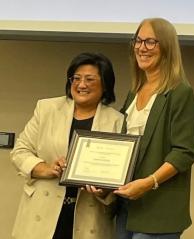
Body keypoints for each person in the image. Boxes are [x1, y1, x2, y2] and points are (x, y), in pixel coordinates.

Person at [10, 52, 123, 239]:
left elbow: (117, 175)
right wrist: (47, 169)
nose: (81, 85)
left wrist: (104, 190)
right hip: (42, 213)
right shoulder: (47, 109)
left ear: (105, 84)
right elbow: (20, 152)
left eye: (89, 79)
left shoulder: (117, 122)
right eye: (76, 78)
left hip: (88, 217)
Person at [114, 18, 194, 239]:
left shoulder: (180, 92)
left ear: (167, 47)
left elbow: (184, 153)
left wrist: (149, 182)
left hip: (159, 209)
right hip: (126, 205)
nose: (142, 48)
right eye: (138, 41)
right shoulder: (135, 91)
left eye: (150, 42)